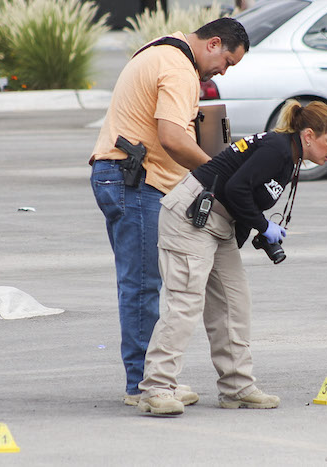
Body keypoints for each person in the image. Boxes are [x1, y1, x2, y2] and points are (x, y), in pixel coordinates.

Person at [138, 100, 327, 415]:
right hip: (192, 217)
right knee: (185, 303)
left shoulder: (288, 155)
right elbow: (237, 187)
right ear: (308, 135)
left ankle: (237, 388)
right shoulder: (277, 149)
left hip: (219, 222)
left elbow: (239, 195)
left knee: (234, 303)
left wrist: (258, 227)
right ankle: (156, 389)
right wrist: (264, 226)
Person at [89, 18, 250, 407]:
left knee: (143, 283)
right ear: (213, 43)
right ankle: (143, 387)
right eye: (227, 61)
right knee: (143, 285)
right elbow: (173, 137)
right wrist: (219, 172)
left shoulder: (161, 50)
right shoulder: (179, 68)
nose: (223, 71)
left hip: (126, 176)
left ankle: (148, 379)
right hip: (134, 180)